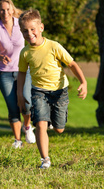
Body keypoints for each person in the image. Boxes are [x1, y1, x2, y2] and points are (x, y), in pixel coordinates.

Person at [17, 9, 87, 169]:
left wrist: (83, 82)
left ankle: (51, 122)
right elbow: (21, 74)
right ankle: (45, 160)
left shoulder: (54, 46)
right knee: (40, 125)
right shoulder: (25, 53)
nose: (29, 34)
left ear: (41, 27)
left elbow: (72, 64)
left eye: (32, 29)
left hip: (59, 92)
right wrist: (20, 94)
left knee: (59, 129)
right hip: (38, 92)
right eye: (25, 31)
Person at [0, 0, 36, 148]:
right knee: (13, 107)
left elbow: (31, 41)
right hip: (5, 74)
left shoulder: (20, 24)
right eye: (2, 10)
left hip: (23, 71)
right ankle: (18, 140)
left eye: (8, 9)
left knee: (26, 102)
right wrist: (1, 56)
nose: (5, 12)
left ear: (12, 10)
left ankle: (27, 127)